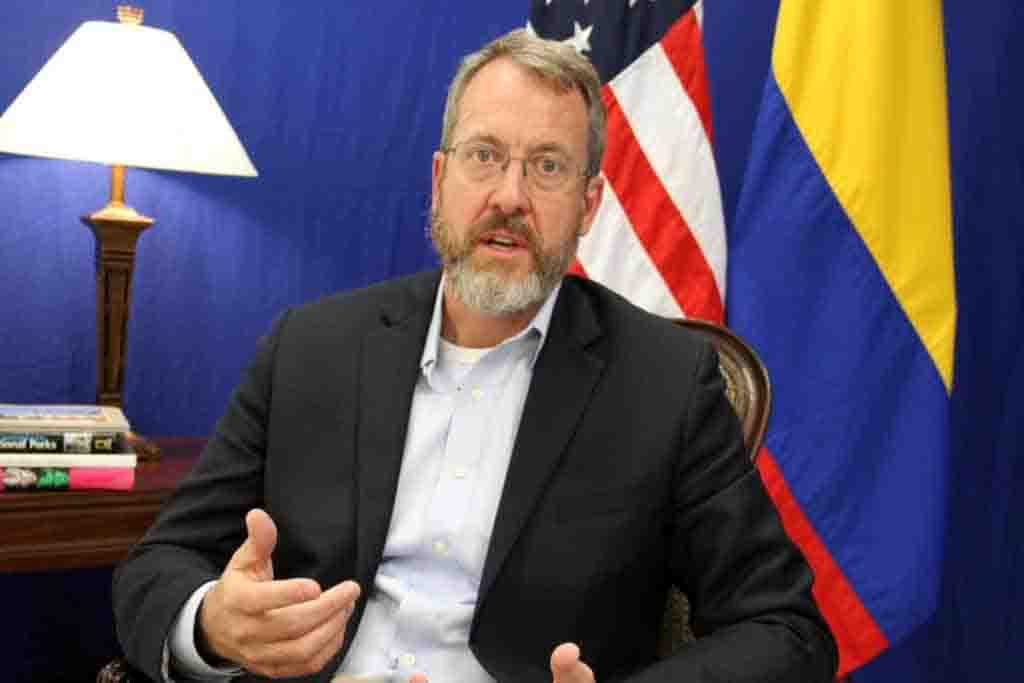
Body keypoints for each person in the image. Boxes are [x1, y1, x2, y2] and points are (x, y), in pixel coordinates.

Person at [113, 28, 837, 683]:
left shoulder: (664, 384)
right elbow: (159, 563)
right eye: (484, 156)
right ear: (440, 179)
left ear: (588, 206)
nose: (509, 196)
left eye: (548, 167)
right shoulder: (310, 347)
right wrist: (212, 625)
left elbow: (786, 630)